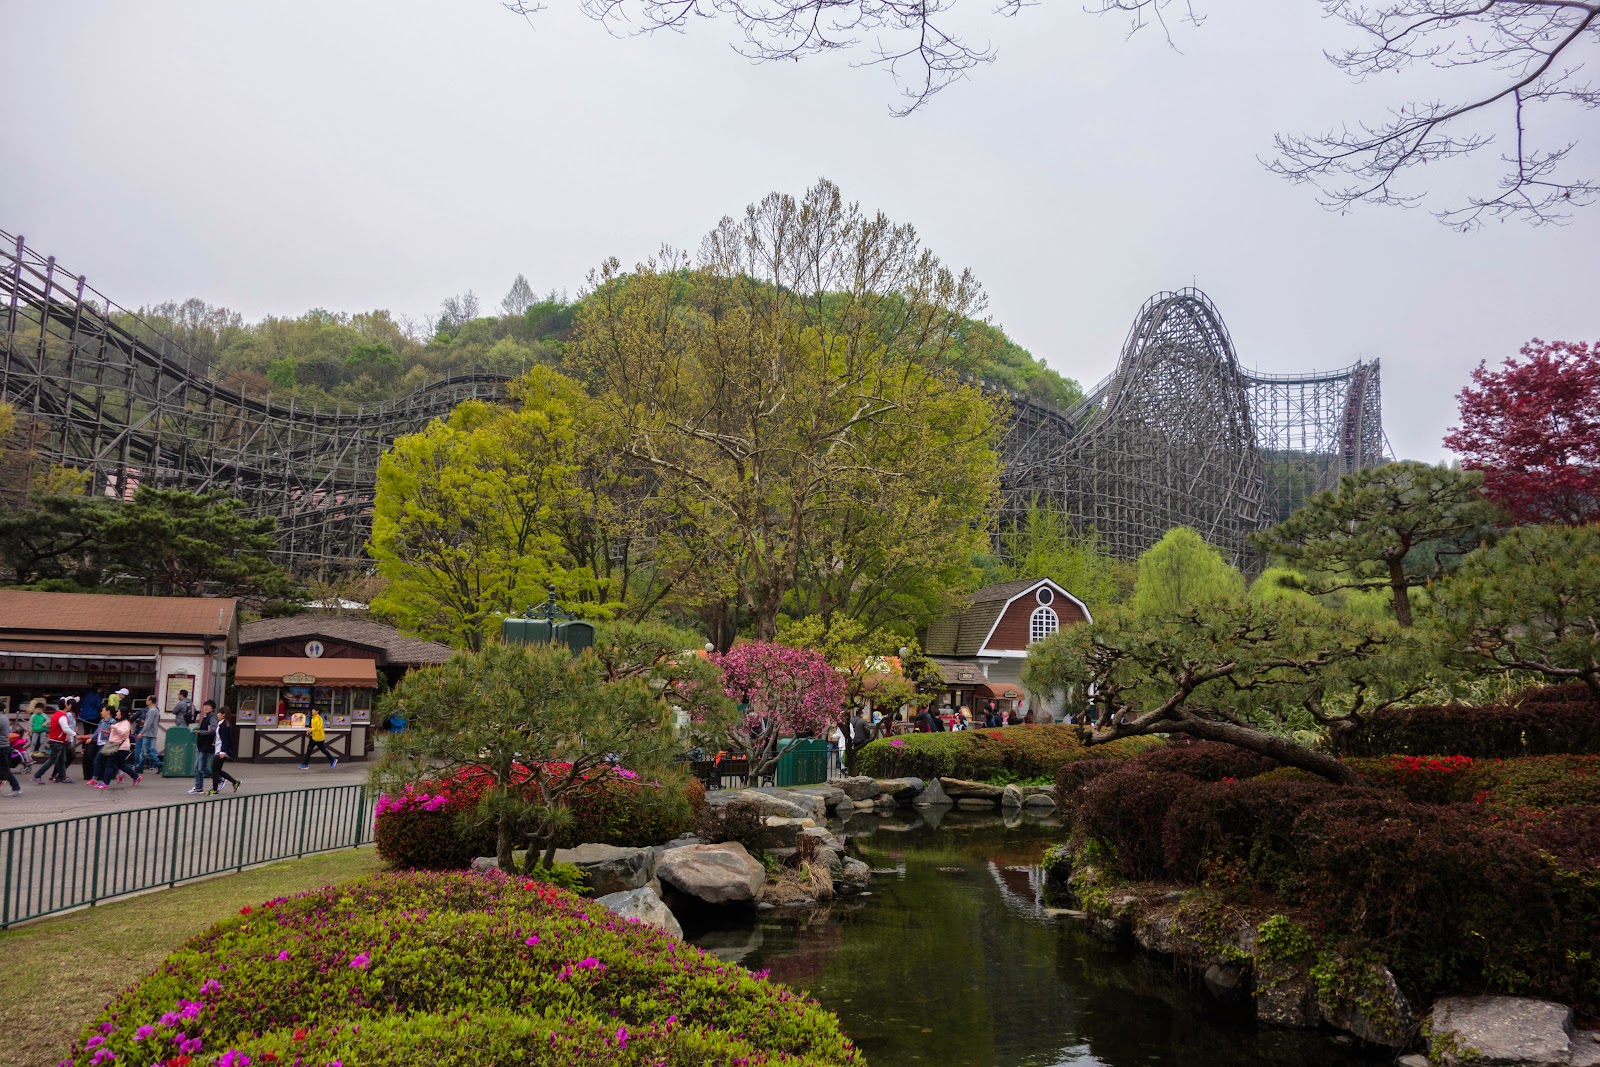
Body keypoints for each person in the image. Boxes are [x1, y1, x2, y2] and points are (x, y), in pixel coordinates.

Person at [32, 702, 77, 783]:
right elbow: (65, 728)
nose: (71, 705)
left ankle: (63, 777)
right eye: (69, 704)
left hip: (56, 740)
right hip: (58, 740)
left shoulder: (56, 714)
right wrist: (74, 734)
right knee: (52, 760)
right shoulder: (62, 716)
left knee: (61, 760)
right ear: (66, 705)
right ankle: (37, 775)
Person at [95, 708, 140, 789]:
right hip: (118, 747)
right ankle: (136, 777)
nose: (117, 713)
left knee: (109, 763)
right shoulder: (120, 722)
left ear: (122, 713)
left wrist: (115, 728)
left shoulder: (126, 723)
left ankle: (105, 782)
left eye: (119, 711)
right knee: (121, 764)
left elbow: (124, 733)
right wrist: (109, 731)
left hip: (119, 747)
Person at [209, 709, 242, 795]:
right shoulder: (222, 724)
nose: (217, 715)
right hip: (218, 749)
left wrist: (222, 751)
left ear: (223, 714)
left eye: (218, 713)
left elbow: (225, 739)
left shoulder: (224, 725)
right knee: (218, 770)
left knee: (214, 770)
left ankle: (215, 790)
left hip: (221, 750)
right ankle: (235, 782)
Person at [190, 700, 218, 795]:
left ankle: (219, 779)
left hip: (206, 746)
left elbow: (214, 731)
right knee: (196, 767)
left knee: (202, 767)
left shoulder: (212, 718)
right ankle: (198, 787)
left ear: (212, 708)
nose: (205, 708)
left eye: (208, 706)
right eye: (204, 706)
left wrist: (200, 732)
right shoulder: (206, 717)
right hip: (201, 745)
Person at [134, 695, 163, 772]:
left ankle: (159, 763)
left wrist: (142, 732)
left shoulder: (152, 711)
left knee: (146, 752)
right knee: (144, 752)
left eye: (147, 700)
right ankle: (138, 767)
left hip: (148, 733)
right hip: (150, 733)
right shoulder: (155, 710)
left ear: (150, 701)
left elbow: (148, 723)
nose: (146, 701)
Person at [0, 703, 21, 796]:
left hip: (1, 747)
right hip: (6, 746)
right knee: (4, 768)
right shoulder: (4, 717)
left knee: (5, 769)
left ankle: (16, 787)